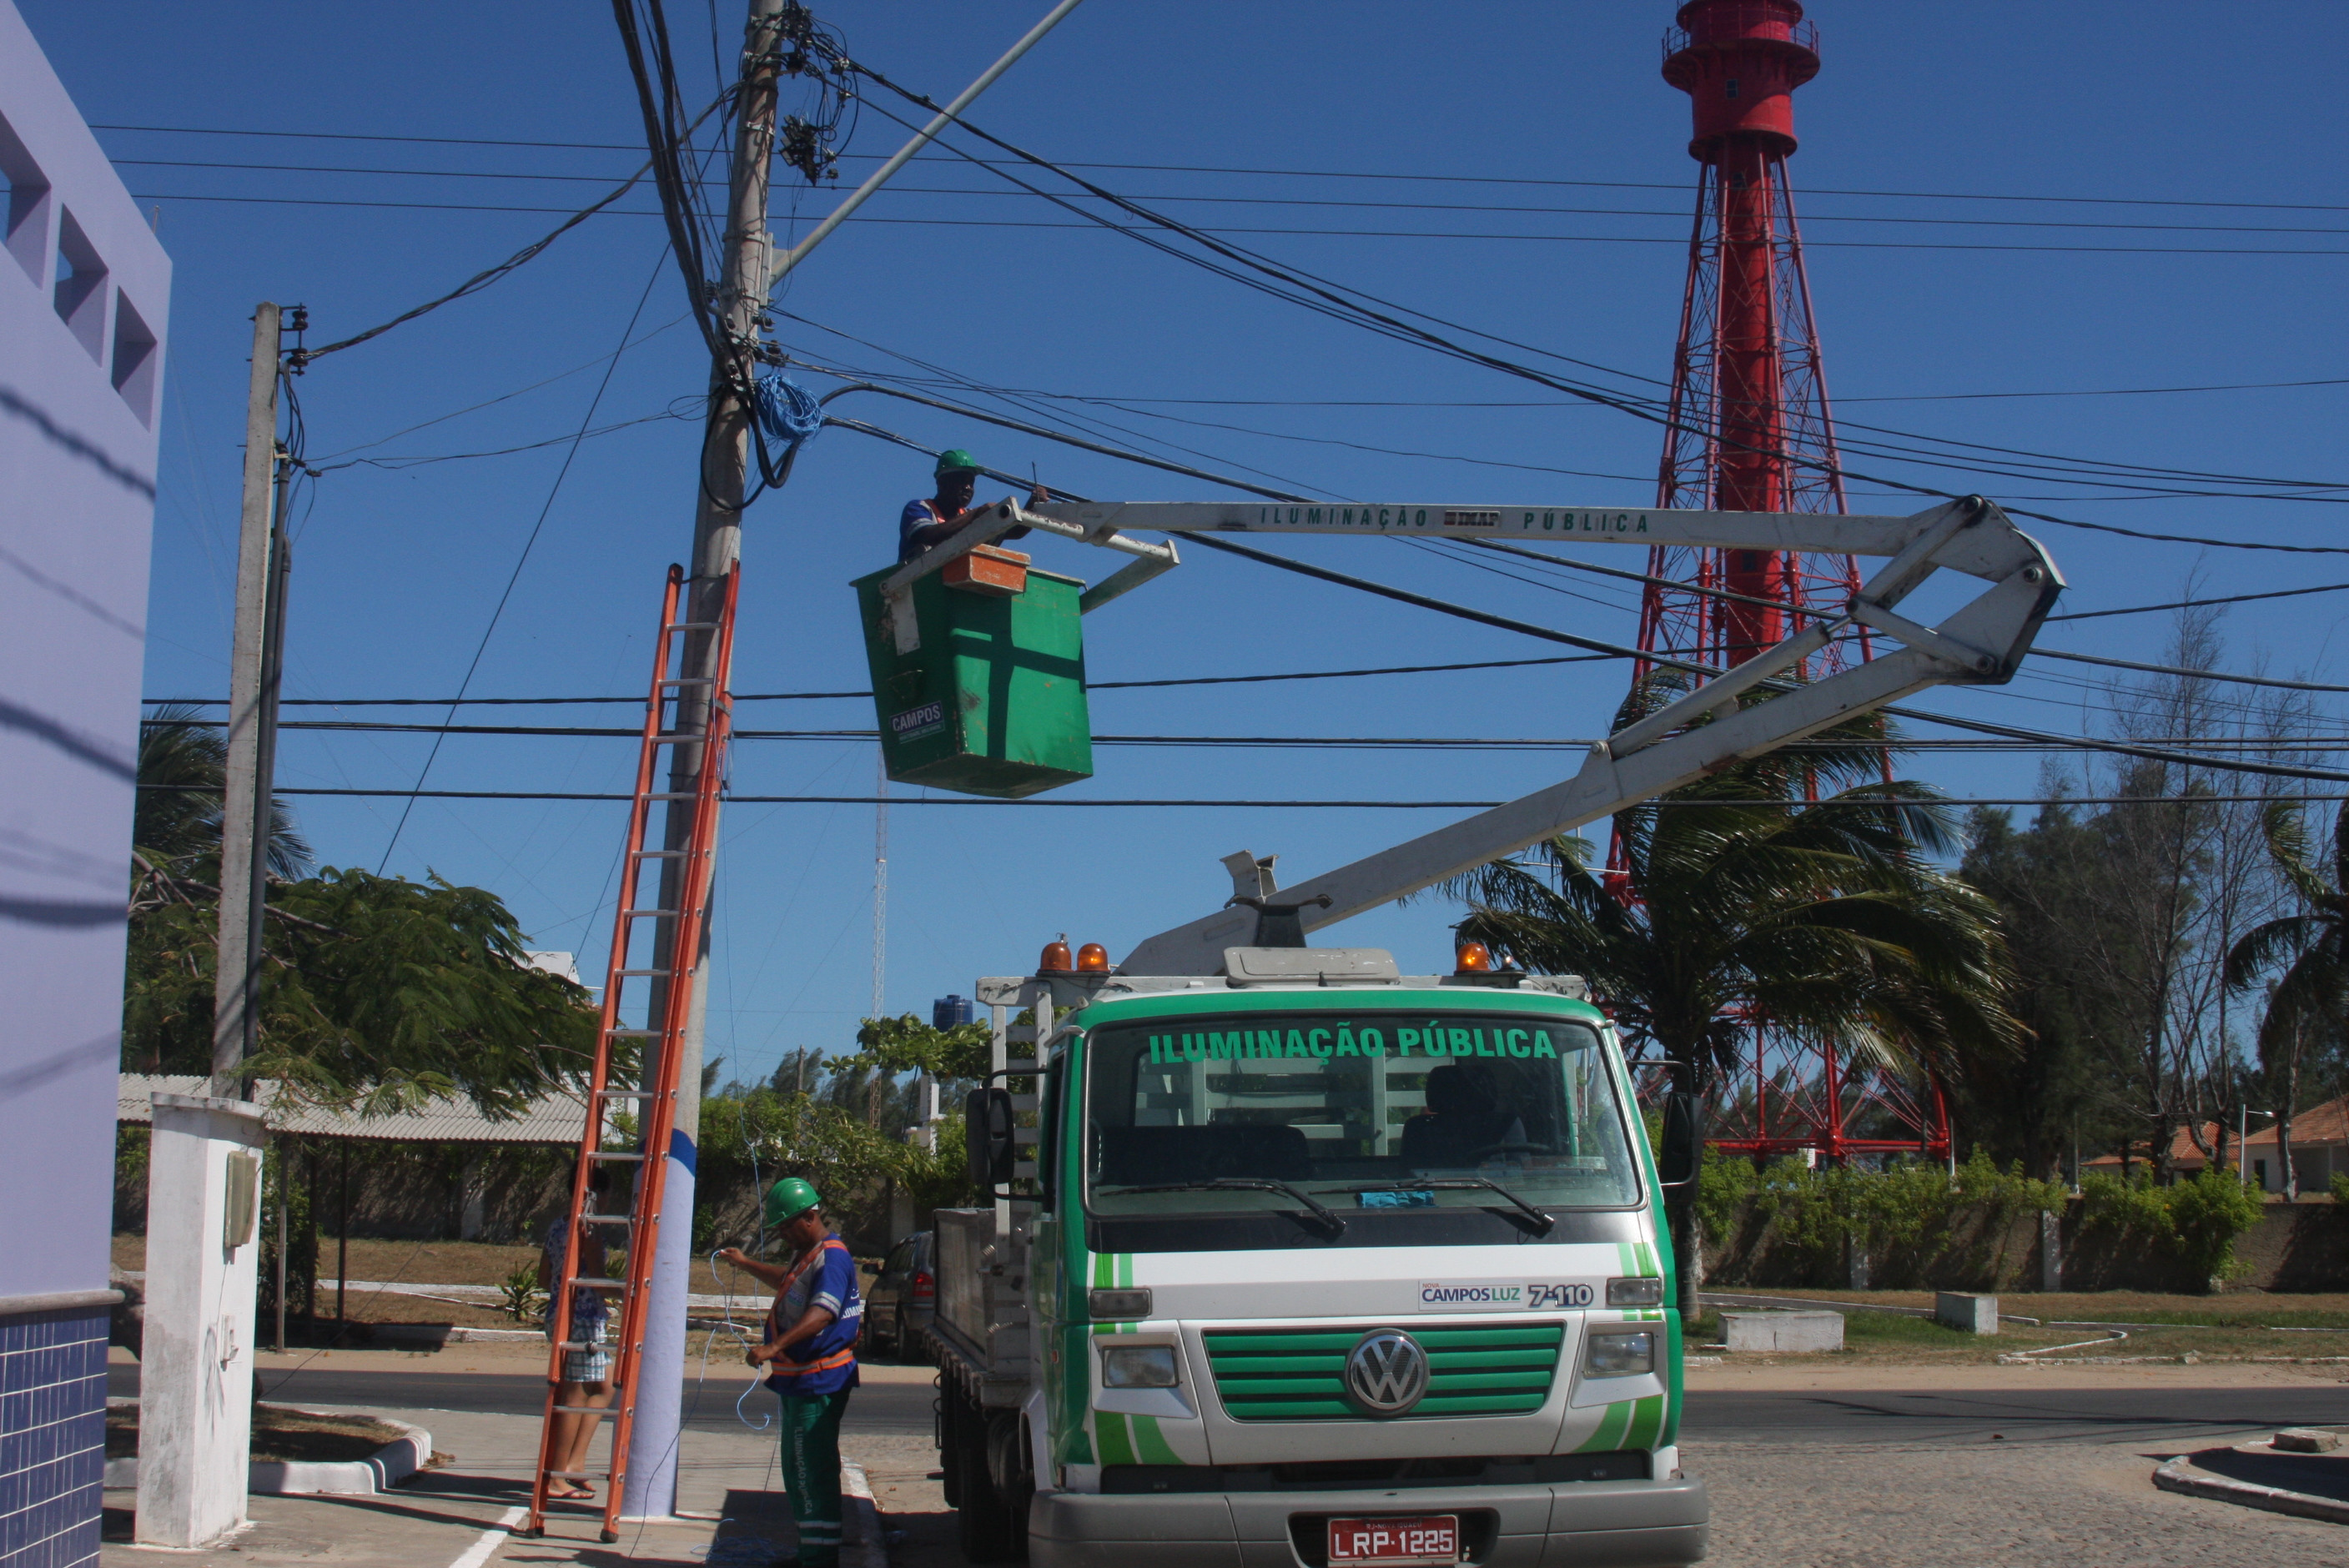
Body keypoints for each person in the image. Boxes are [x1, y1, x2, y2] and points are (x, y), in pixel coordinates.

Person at [715, 1178, 863, 1568]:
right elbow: (789, 1283)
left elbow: (823, 1312)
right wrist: (745, 1264)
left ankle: (819, 1557)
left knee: (810, 1468)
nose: (781, 1234)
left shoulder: (832, 1258)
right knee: (798, 1466)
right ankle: (809, 1551)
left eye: (785, 1226)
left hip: (820, 1380)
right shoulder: (809, 1254)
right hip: (802, 1382)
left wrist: (774, 1347)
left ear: (810, 1216)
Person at [538, 1163, 618, 1500]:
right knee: (574, 1396)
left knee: (604, 1385)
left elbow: (544, 1277)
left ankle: (575, 1461)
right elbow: (598, 1278)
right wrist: (624, 1291)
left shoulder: (558, 1226)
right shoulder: (590, 1228)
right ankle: (557, 1475)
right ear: (598, 1195)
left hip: (560, 1312)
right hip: (583, 1316)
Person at [898, 448, 1049, 562]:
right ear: (941, 483)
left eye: (971, 483)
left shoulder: (968, 516)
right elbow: (928, 535)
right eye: (961, 481)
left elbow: (1015, 531)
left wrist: (1033, 506)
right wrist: (978, 514)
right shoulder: (919, 508)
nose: (968, 487)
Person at [1400, 1065, 1527, 1169]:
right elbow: (1409, 1175)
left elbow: (1522, 1173)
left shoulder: (1507, 1124)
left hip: (1503, 1196)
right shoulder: (1420, 1128)